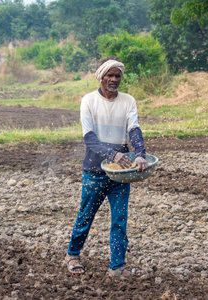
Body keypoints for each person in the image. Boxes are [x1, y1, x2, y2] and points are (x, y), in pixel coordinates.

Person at [65, 56, 149, 278]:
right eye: (109, 75)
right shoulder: (89, 101)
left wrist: (140, 155)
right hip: (94, 170)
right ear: (101, 76)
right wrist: (113, 154)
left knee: (119, 219)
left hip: (120, 174)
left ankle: (117, 267)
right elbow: (90, 139)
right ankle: (73, 254)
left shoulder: (128, 101)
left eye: (117, 76)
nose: (113, 79)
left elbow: (134, 129)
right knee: (86, 215)